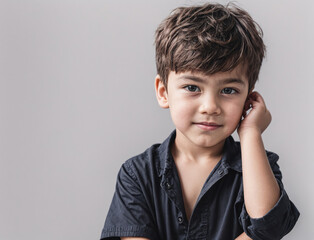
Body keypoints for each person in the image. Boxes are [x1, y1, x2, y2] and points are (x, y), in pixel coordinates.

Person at [100, 2, 300, 240]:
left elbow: (268, 227)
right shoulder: (137, 175)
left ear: (248, 98)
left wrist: (250, 133)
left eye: (228, 90)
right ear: (163, 92)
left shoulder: (258, 166)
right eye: (192, 87)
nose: (210, 107)